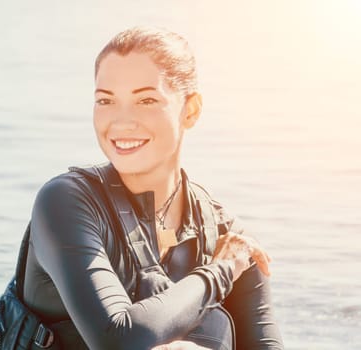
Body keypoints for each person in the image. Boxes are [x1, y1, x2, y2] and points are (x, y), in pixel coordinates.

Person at [21, 26, 283, 349]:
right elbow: (118, 340)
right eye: (106, 100)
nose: (121, 122)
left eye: (146, 100)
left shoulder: (226, 237)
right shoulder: (65, 204)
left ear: (191, 110)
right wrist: (220, 272)